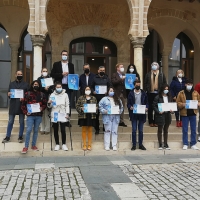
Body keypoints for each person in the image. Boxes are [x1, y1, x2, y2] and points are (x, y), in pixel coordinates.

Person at [2, 70, 29, 143]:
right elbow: (9, 93)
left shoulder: (26, 84)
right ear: (15, 75)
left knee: (21, 122)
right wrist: (8, 94)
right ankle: (7, 136)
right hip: (13, 105)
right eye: (18, 74)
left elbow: (28, 94)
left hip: (21, 105)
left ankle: (20, 136)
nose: (20, 75)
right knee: (10, 121)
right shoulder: (11, 84)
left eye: (21, 74)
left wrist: (24, 98)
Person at [21, 80, 47, 153]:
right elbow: (23, 104)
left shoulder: (42, 94)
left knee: (36, 131)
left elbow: (44, 104)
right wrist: (26, 112)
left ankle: (33, 145)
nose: (36, 85)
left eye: (37, 84)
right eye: (35, 84)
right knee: (29, 130)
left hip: (38, 116)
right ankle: (26, 147)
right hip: (30, 116)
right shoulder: (27, 94)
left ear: (39, 86)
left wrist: (42, 108)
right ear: (32, 85)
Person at [50, 50, 74, 127]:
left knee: (67, 103)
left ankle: (67, 120)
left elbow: (73, 76)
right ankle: (55, 120)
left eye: (66, 55)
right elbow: (52, 74)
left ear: (68, 56)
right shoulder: (56, 64)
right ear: (61, 55)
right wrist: (62, 74)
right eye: (63, 54)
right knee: (56, 102)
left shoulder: (71, 65)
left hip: (68, 86)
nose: (64, 56)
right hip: (59, 86)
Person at [176, 79, 200, 150]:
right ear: (185, 84)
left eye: (190, 84)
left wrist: (198, 103)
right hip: (184, 113)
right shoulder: (181, 93)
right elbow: (178, 103)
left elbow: (199, 100)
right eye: (188, 84)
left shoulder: (195, 93)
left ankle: (193, 143)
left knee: (193, 129)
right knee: (185, 129)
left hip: (193, 113)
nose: (189, 85)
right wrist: (182, 104)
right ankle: (185, 143)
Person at [99, 87, 123, 151]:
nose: (111, 92)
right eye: (110, 90)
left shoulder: (118, 99)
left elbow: (121, 107)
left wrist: (119, 111)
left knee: (114, 131)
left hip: (116, 117)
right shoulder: (104, 99)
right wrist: (104, 111)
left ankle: (114, 145)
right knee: (107, 131)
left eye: (112, 90)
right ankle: (107, 145)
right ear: (108, 91)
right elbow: (100, 106)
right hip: (107, 116)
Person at [47, 82, 70, 151]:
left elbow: (67, 105)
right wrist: (49, 103)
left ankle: (64, 144)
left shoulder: (65, 94)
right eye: (57, 87)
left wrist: (67, 113)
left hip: (63, 113)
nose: (59, 88)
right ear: (55, 88)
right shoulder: (52, 94)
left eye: (60, 87)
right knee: (56, 129)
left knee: (63, 129)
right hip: (55, 113)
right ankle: (57, 144)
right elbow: (50, 106)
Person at [127, 80, 148, 151]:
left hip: (141, 113)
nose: (138, 86)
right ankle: (134, 144)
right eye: (137, 84)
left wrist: (147, 107)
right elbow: (128, 103)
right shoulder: (131, 93)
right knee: (134, 130)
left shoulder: (143, 93)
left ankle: (140, 144)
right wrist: (130, 107)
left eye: (139, 84)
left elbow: (147, 102)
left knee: (141, 130)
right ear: (134, 85)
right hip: (134, 113)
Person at [144, 62, 167, 127]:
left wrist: (163, 91)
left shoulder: (161, 74)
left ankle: (157, 121)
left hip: (158, 93)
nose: (154, 66)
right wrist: (147, 90)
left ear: (158, 66)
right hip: (150, 93)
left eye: (156, 65)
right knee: (150, 108)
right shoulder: (148, 74)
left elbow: (164, 83)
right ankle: (151, 121)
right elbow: (145, 83)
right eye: (153, 65)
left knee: (157, 107)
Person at [91, 66, 112, 134]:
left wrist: (108, 91)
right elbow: (90, 87)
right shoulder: (94, 78)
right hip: (96, 98)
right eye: (101, 70)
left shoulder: (107, 78)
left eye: (103, 70)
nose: (102, 71)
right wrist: (93, 91)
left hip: (105, 99)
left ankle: (104, 127)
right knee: (96, 115)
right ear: (98, 71)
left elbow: (110, 86)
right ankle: (97, 128)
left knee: (105, 114)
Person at [76, 86, 97, 150]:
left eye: (89, 89)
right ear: (84, 90)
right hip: (83, 116)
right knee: (84, 130)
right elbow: (77, 106)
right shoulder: (80, 98)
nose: (87, 90)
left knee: (90, 130)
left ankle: (89, 145)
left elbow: (97, 105)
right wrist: (81, 109)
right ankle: (84, 144)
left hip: (91, 116)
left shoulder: (93, 98)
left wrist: (96, 108)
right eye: (86, 89)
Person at [153, 84, 174, 150]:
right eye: (165, 89)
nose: (166, 90)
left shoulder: (169, 97)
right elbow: (154, 106)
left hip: (167, 114)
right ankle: (160, 143)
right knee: (160, 130)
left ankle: (165, 143)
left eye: (167, 89)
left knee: (166, 130)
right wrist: (158, 111)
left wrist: (172, 111)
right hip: (161, 115)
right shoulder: (157, 97)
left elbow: (171, 105)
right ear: (162, 89)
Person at [37, 67, 54, 134]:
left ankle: (47, 129)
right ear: (41, 72)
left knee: (47, 114)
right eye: (43, 71)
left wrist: (48, 89)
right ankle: (42, 128)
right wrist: (44, 88)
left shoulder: (50, 79)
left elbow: (52, 89)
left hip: (47, 97)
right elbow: (37, 88)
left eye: (46, 71)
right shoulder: (39, 79)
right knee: (41, 114)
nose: (45, 72)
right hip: (40, 98)